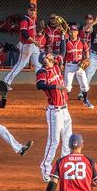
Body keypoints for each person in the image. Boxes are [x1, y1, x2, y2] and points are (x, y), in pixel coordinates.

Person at [36, 52, 73, 181]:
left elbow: (62, 53)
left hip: (65, 109)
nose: (51, 56)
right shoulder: (42, 72)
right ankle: (45, 169)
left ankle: (65, 168)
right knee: (54, 141)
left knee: (67, 140)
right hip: (54, 112)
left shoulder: (56, 66)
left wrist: (63, 35)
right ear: (45, 60)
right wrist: (56, 86)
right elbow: (39, 85)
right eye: (48, 56)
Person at [4, 3, 41, 88]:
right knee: (21, 64)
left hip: (33, 45)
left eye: (34, 10)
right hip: (26, 45)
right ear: (27, 10)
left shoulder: (34, 19)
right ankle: (6, 82)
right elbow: (24, 33)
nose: (32, 12)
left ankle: (41, 81)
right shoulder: (25, 19)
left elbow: (33, 32)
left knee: (37, 63)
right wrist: (35, 41)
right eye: (30, 10)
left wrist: (38, 35)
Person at [63, 24, 93, 108]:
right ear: (69, 32)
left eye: (74, 31)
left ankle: (86, 101)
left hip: (80, 65)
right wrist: (61, 64)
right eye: (71, 31)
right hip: (69, 65)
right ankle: (63, 103)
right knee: (67, 86)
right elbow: (62, 54)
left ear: (77, 32)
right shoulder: (65, 42)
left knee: (84, 84)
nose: (73, 33)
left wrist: (87, 58)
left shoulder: (82, 41)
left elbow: (86, 50)